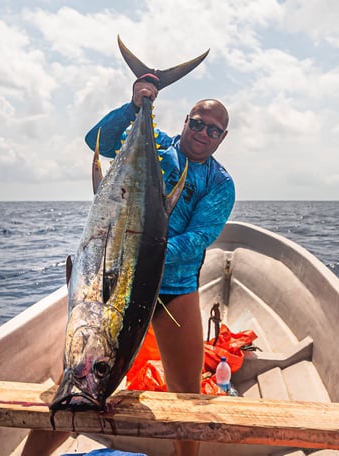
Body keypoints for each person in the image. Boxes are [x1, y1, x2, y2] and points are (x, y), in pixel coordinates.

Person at [22, 78, 234, 456]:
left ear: (222, 137)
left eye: (213, 130)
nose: (203, 132)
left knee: (187, 392)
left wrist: (142, 251)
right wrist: (135, 106)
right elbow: (97, 142)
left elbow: (200, 237)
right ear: (185, 121)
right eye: (197, 123)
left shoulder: (219, 183)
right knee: (77, 376)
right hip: (115, 277)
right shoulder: (158, 147)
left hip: (173, 289)